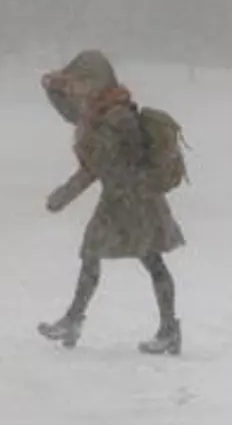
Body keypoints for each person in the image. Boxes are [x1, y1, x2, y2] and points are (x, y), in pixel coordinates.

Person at [36, 50, 185, 354]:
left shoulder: (118, 115)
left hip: (136, 200)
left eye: (81, 82)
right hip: (122, 199)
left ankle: (167, 330)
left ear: (96, 82)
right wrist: (53, 87)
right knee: (104, 254)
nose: (76, 89)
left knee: (148, 259)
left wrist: (67, 193)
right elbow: (72, 118)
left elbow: (108, 164)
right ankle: (75, 320)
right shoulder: (99, 112)